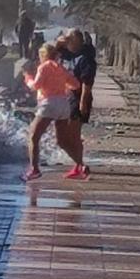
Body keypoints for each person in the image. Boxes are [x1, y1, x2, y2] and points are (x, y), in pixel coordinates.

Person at [22, 43, 81, 181]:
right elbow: (76, 84)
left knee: (33, 137)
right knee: (62, 141)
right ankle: (81, 164)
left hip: (49, 103)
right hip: (63, 104)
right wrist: (62, 85)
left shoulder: (44, 67)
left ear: (43, 55)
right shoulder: (61, 68)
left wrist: (28, 79)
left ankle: (34, 170)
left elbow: (36, 86)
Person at [55, 29, 96, 179]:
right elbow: (52, 51)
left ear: (77, 41)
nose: (67, 43)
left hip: (78, 99)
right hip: (65, 98)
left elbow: (87, 83)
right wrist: (61, 41)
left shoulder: (85, 59)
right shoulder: (69, 54)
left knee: (71, 136)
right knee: (66, 138)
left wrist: (83, 103)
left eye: (69, 40)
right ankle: (79, 165)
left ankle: (80, 165)